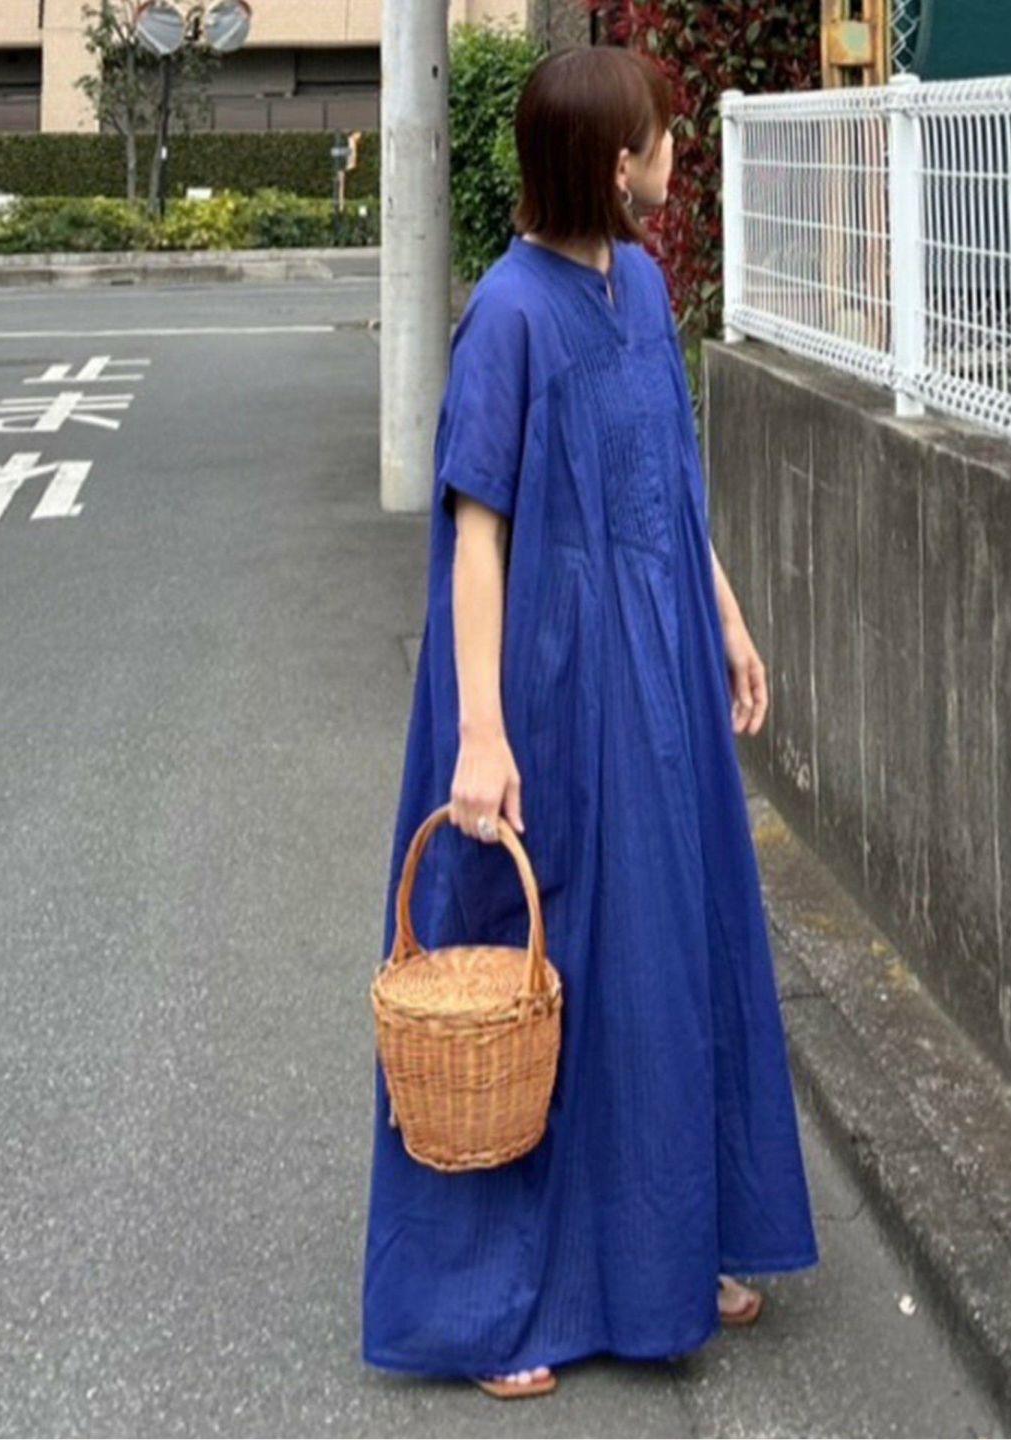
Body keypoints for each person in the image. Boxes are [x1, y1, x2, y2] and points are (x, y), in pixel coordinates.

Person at [362, 43, 820, 1400]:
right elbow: (477, 537)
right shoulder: (507, 316)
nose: (678, 154)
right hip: (548, 690)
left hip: (658, 676)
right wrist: (480, 732)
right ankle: (497, 1308)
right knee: (531, 965)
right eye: (662, 137)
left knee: (664, 955)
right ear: (616, 163)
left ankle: (670, 1252)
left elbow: (668, 482)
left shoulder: (643, 289)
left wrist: (726, 618)